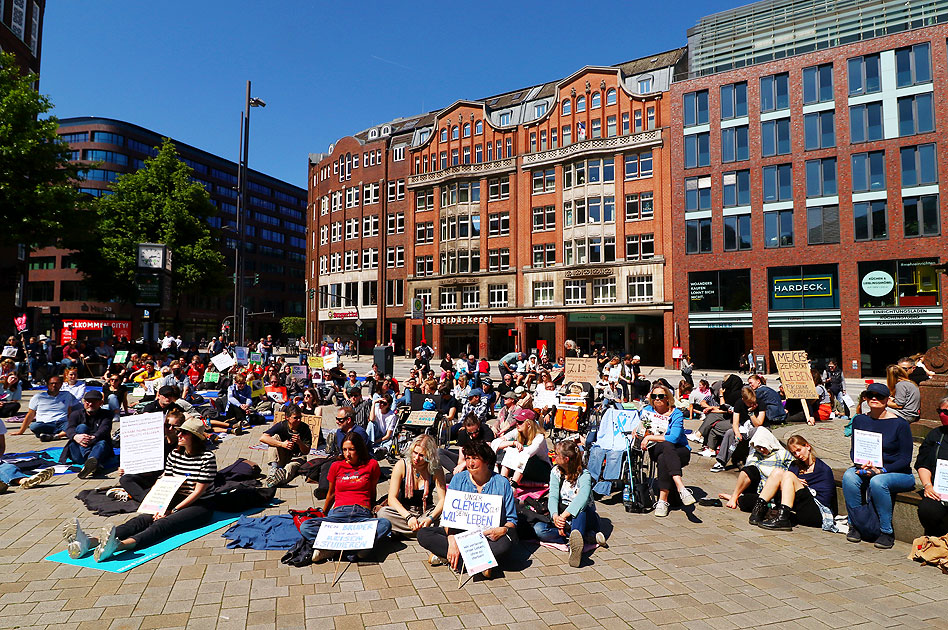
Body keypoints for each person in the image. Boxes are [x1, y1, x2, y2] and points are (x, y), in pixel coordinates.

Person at [64, 415, 216, 561]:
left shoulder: (206, 458)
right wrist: (157, 504)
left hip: (199, 504)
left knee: (164, 523)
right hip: (175, 497)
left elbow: (198, 491)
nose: (179, 434)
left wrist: (172, 511)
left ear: (194, 437)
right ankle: (90, 542)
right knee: (142, 520)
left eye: (184, 432)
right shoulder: (175, 454)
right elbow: (164, 479)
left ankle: (119, 546)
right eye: (179, 431)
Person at [417, 440, 518, 577]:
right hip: (460, 534)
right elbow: (449, 517)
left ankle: (452, 558)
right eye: (468, 458)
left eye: (475, 458)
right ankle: (480, 563)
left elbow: (512, 520)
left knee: (506, 543)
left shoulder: (502, 483)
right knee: (424, 534)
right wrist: (452, 541)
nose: (470, 463)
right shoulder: (458, 479)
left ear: (487, 461)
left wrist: (503, 529)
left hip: (488, 537)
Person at [843, 383, 915, 549]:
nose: (874, 399)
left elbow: (905, 459)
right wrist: (861, 464)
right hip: (869, 467)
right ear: (866, 398)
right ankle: (855, 525)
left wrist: (881, 470)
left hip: (897, 472)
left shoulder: (900, 424)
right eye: (871, 395)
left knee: (878, 482)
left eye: (880, 396)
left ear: (887, 400)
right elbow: (854, 451)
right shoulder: (860, 420)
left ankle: (886, 531)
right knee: (849, 476)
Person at [301, 431, 391, 562]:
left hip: (361, 514)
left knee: (385, 524)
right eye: (344, 450)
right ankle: (357, 547)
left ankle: (332, 548)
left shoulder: (371, 465)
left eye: (351, 450)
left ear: (359, 450)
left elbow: (372, 490)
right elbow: (331, 493)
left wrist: (372, 509)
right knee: (306, 526)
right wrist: (324, 513)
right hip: (339, 514)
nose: (347, 454)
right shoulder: (336, 466)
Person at [534, 440, 606, 567]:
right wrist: (555, 517)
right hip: (563, 516)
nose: (553, 456)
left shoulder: (584, 475)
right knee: (539, 530)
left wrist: (564, 516)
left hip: (583, 516)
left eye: (556, 454)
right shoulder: (555, 471)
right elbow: (553, 496)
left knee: (580, 511)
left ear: (566, 459)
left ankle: (575, 549)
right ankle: (580, 537)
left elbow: (582, 499)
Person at [757, 435, 836, 531]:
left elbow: (825, 500)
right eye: (794, 453)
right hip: (797, 507)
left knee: (788, 475)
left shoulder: (823, 469)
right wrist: (796, 482)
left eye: (799, 450)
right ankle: (757, 511)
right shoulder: (795, 465)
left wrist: (798, 484)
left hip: (817, 511)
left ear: (807, 446)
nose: (797, 455)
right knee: (778, 472)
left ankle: (782, 519)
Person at [639, 383, 695, 516]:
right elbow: (640, 428)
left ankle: (662, 501)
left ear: (667, 398)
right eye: (654, 396)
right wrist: (642, 434)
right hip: (655, 447)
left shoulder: (676, 414)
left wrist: (650, 437)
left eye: (660, 396)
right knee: (666, 446)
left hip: (679, 450)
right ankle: (680, 487)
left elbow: (674, 438)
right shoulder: (647, 410)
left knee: (665, 455)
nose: (657, 399)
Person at [377, 435, 446, 536]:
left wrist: (430, 518)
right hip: (404, 511)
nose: (416, 458)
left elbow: (443, 500)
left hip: (425, 512)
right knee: (383, 513)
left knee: (445, 518)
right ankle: (422, 532)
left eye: (421, 455)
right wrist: (409, 517)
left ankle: (407, 532)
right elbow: (392, 498)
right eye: (415, 453)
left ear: (429, 456)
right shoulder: (401, 465)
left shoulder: (436, 469)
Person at [719, 426, 793, 520]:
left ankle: (738, 499)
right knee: (749, 470)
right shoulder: (755, 455)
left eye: (763, 447)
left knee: (750, 502)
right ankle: (734, 496)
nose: (761, 450)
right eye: (758, 447)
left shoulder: (783, 454)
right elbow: (747, 472)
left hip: (775, 491)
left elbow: (794, 469)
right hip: (758, 488)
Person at [116, 408, 186, 502]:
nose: (170, 429)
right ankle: (146, 498)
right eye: (167, 425)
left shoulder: (182, 445)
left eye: (174, 426)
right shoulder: (156, 442)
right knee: (126, 479)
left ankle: (145, 496)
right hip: (152, 475)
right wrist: (125, 468)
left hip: (169, 477)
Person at [309, 407, 370, 500]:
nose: (337, 422)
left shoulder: (359, 432)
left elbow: (363, 453)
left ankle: (326, 489)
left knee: (332, 465)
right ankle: (323, 488)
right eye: (336, 419)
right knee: (326, 464)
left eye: (340, 419)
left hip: (359, 460)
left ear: (349, 420)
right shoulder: (339, 432)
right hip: (346, 458)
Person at [60, 390, 115, 479]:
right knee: (82, 427)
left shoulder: (107, 414)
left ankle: (90, 463)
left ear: (101, 403)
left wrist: (94, 437)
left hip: (98, 448)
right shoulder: (75, 414)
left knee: (102, 443)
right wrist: (76, 437)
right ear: (84, 402)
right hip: (79, 452)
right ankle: (91, 463)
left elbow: (104, 429)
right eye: (87, 401)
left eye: (94, 401)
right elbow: (70, 428)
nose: (90, 404)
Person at [492, 408, 552, 486]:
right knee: (508, 452)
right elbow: (495, 443)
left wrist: (509, 448)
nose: (517, 424)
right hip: (524, 469)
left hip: (542, 471)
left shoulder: (539, 437)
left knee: (522, 456)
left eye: (520, 422)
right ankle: (503, 482)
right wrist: (512, 442)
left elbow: (528, 453)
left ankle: (513, 485)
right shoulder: (517, 431)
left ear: (529, 424)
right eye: (516, 421)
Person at [915, 396, 948, 536]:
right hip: (939, 490)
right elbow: (923, 463)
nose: (942, 415)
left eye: (947, 412)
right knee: (927, 510)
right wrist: (928, 485)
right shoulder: (935, 434)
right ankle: (938, 541)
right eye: (939, 411)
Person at [260, 404, 313, 488]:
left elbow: (306, 451)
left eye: (300, 417)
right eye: (295, 418)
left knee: (290, 467)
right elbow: (263, 438)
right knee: (274, 438)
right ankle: (274, 469)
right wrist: (282, 444)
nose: (299, 420)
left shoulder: (305, 428)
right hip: (283, 456)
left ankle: (277, 479)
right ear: (287, 417)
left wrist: (300, 443)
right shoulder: (282, 425)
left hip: (297, 458)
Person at [15, 375, 82, 440]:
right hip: (45, 423)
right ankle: (61, 433)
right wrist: (21, 431)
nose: (54, 385)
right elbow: (30, 414)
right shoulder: (38, 397)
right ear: (47, 385)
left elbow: (69, 411)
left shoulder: (67, 395)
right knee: (34, 426)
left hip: (62, 423)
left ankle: (56, 436)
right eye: (51, 383)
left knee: (75, 426)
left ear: (61, 385)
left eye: (56, 383)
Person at [439, 412, 496, 478]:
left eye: (476, 431)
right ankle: (459, 475)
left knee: (447, 478)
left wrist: (463, 464)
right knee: (439, 452)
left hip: (482, 463)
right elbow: (461, 457)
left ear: (479, 425)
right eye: (470, 433)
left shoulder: (486, 431)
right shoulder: (462, 434)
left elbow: (484, 454)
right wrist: (459, 466)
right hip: (467, 463)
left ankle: (459, 476)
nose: (474, 435)